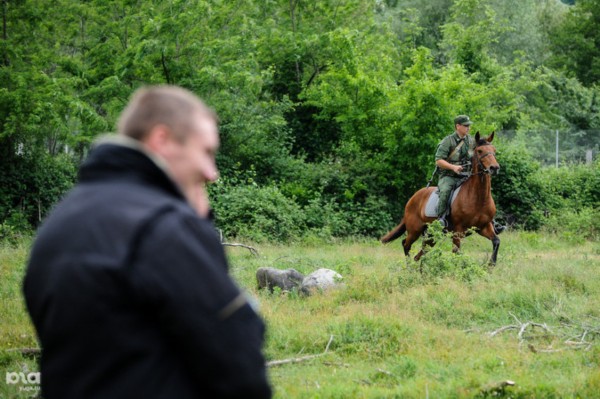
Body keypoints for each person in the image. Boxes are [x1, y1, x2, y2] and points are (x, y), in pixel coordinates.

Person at [23, 86, 272, 399]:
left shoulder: (59, 223)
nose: (212, 173)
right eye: (207, 153)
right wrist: (196, 224)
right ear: (162, 140)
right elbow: (238, 360)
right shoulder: (163, 226)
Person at [434, 115, 505, 233]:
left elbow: (481, 151)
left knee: (484, 190)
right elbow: (438, 161)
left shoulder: (472, 141)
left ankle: (490, 221)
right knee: (446, 190)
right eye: (466, 125)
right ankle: (441, 220)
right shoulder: (448, 141)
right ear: (458, 126)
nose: (468, 128)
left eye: (469, 125)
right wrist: (453, 167)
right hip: (449, 176)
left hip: (466, 175)